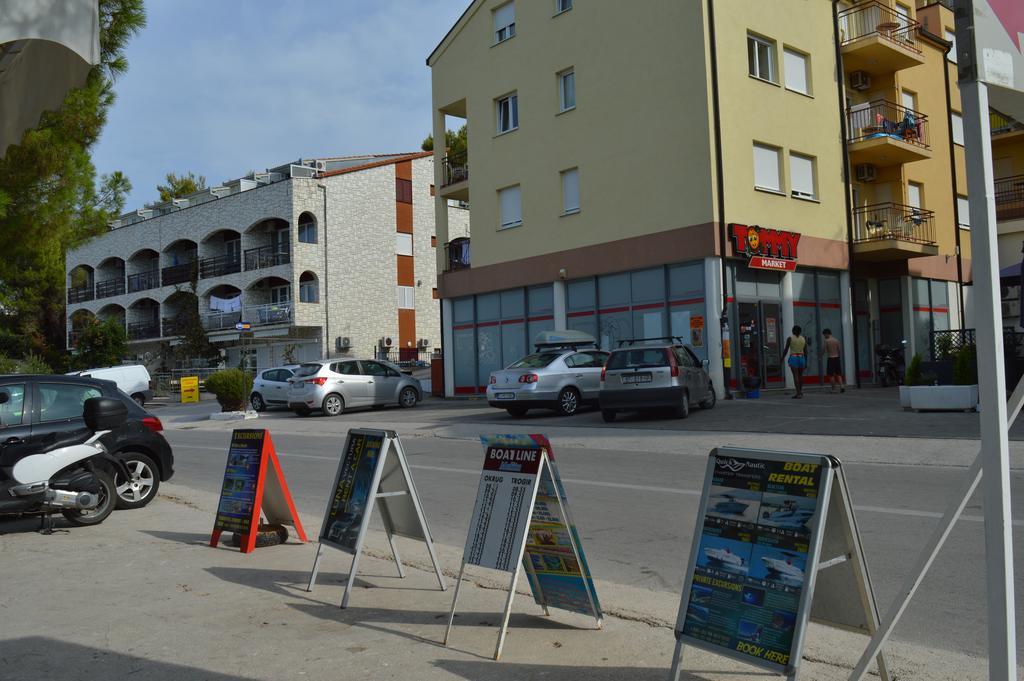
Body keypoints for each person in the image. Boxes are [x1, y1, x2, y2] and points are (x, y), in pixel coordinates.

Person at [782, 325, 807, 399]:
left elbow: (786, 349)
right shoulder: (803, 339)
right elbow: (806, 351)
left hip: (794, 357)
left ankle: (798, 393)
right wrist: (806, 361)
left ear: (793, 331)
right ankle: (800, 391)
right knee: (800, 376)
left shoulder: (790, 338)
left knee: (795, 376)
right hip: (802, 358)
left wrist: (782, 358)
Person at [822, 329, 845, 393]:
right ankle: (842, 386)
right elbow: (839, 350)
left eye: (824, 334)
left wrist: (821, 356)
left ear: (827, 333)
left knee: (831, 374)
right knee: (838, 374)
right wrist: (839, 357)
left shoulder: (827, 341)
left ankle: (833, 389)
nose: (824, 336)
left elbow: (824, 350)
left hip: (831, 358)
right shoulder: (836, 340)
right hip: (837, 358)